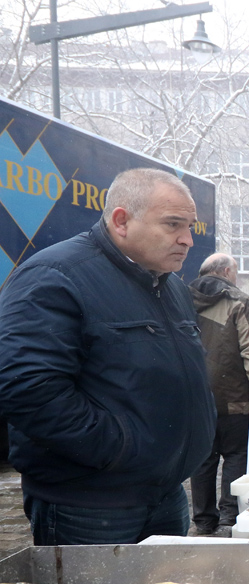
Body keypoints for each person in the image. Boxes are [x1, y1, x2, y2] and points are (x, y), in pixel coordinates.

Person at [0, 168, 215, 545]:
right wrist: (118, 449)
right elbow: (28, 389)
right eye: (173, 225)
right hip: (90, 505)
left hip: (165, 495)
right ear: (121, 220)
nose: (187, 239)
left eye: (190, 226)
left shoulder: (172, 288)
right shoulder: (56, 276)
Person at [187, 253, 249, 536]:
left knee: (203, 459)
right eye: (234, 272)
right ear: (225, 271)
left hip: (196, 399)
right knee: (235, 456)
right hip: (233, 397)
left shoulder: (181, 298)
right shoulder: (239, 302)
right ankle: (229, 518)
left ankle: (203, 521)